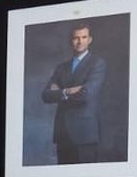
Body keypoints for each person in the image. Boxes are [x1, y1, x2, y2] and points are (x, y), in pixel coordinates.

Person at [41, 23, 107, 164]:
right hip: (63, 132)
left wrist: (59, 92)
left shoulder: (97, 63)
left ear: (90, 39)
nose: (80, 41)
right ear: (71, 40)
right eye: (76, 38)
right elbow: (46, 95)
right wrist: (67, 91)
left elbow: (86, 95)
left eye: (84, 37)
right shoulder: (61, 67)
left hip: (85, 133)